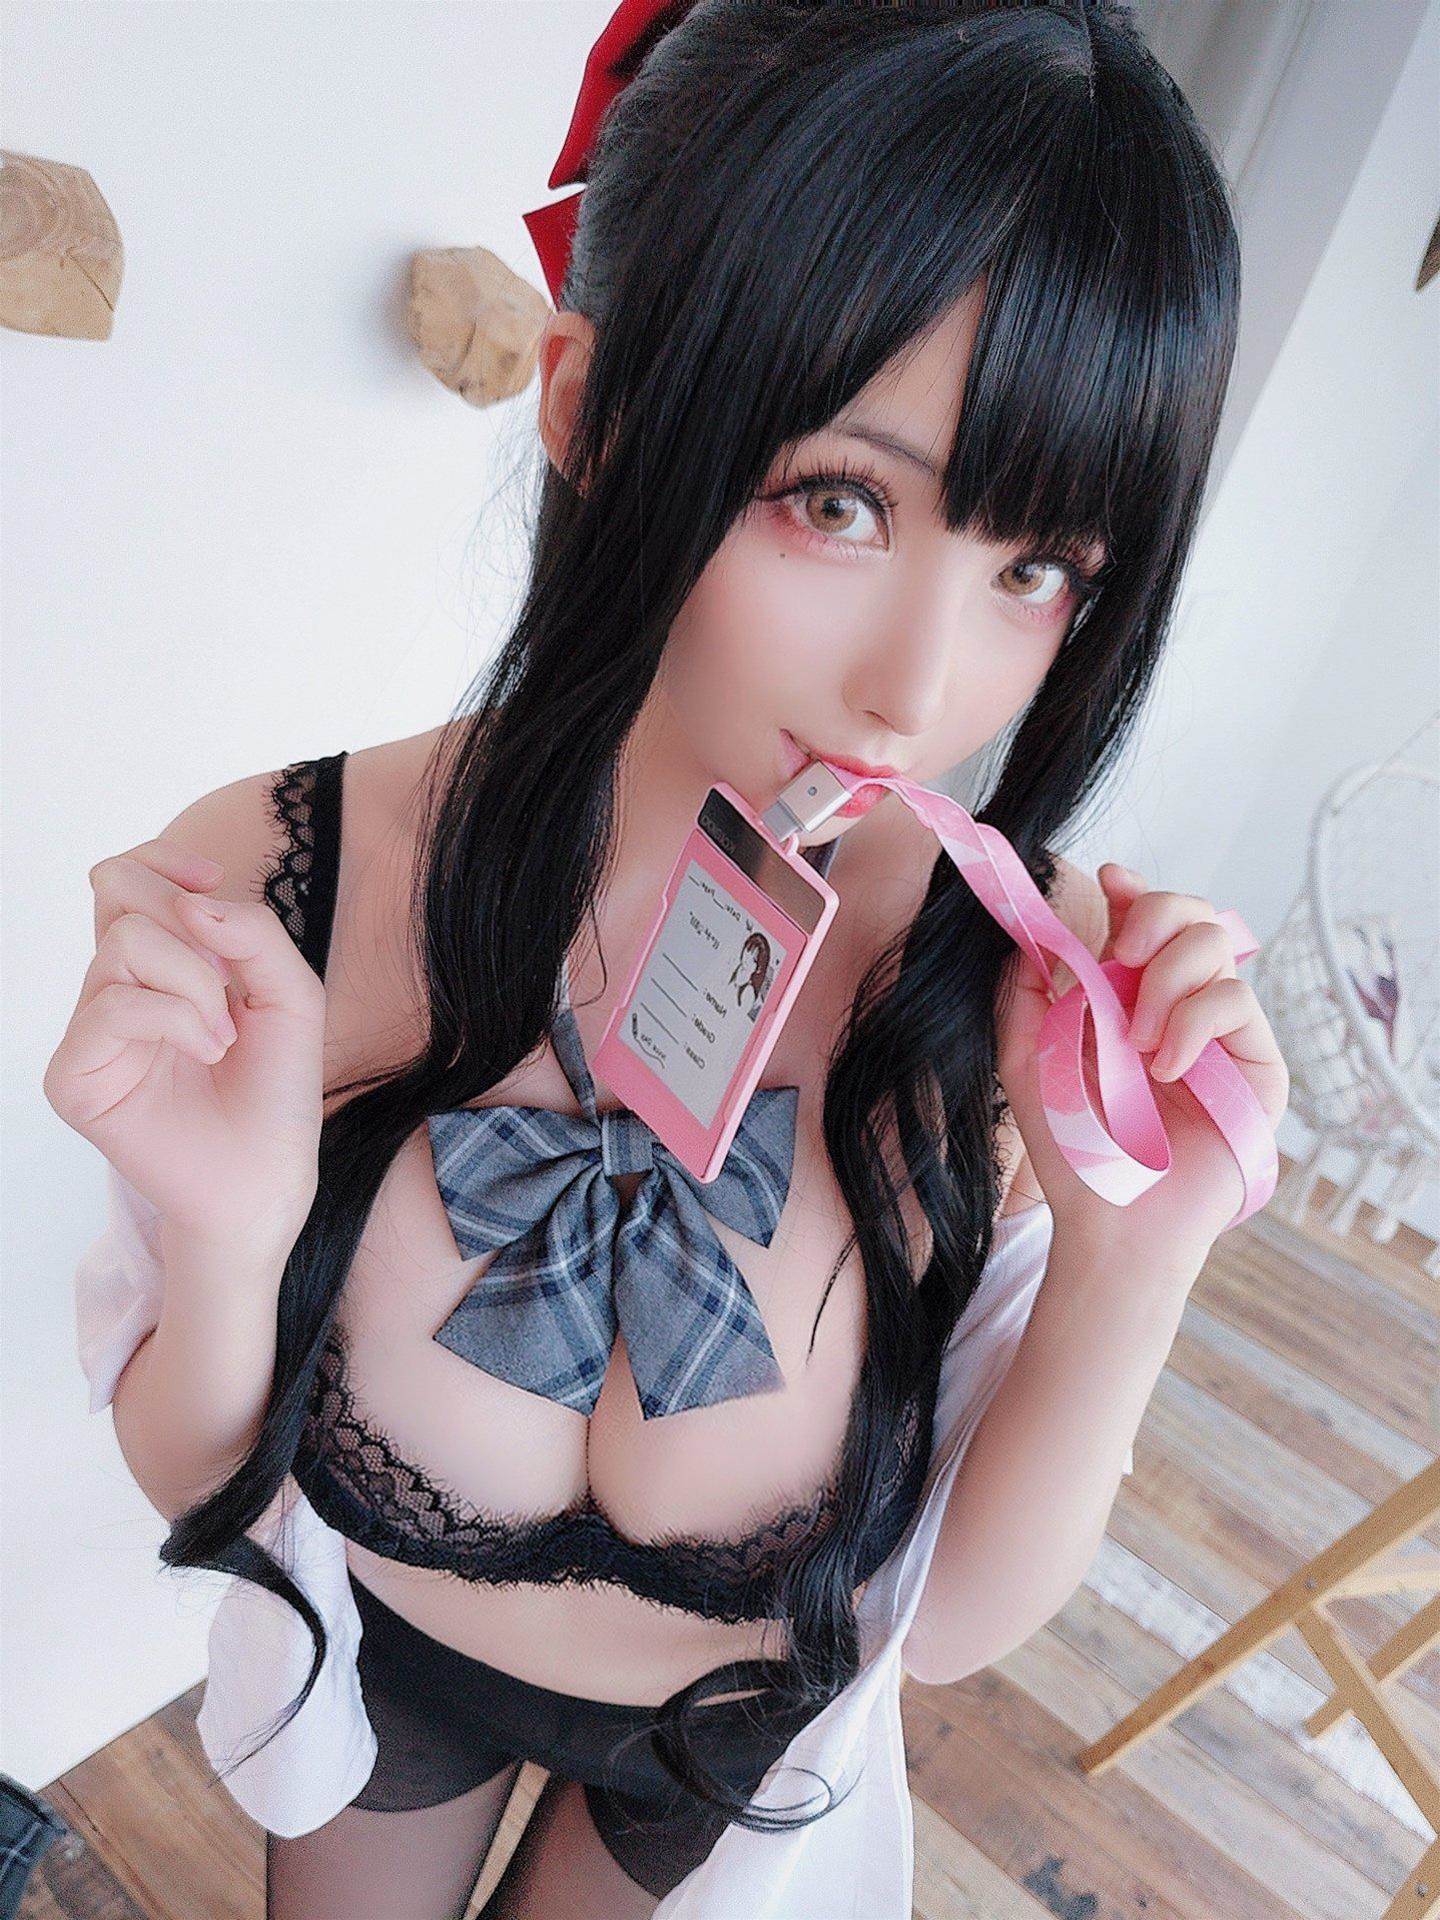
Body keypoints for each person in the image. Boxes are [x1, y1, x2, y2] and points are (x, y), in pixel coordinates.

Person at [47, 2, 1289, 1915]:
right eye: (839, 502)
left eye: (1036, 566)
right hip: (388, 1669)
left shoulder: (1031, 1009)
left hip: (727, 1750)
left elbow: (950, 1627)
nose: (919, 688)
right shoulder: (285, 881)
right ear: (586, 408)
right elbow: (197, 1480)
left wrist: (1142, 1252)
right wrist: (223, 1242)